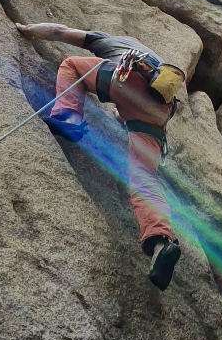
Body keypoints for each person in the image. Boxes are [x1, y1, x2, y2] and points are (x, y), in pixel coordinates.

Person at [15, 20, 184, 292]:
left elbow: (60, 32)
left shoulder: (112, 42)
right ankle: (160, 243)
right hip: (159, 110)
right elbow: (126, 111)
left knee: (71, 65)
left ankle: (67, 117)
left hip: (129, 75)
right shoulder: (158, 63)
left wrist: (26, 29)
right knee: (144, 177)